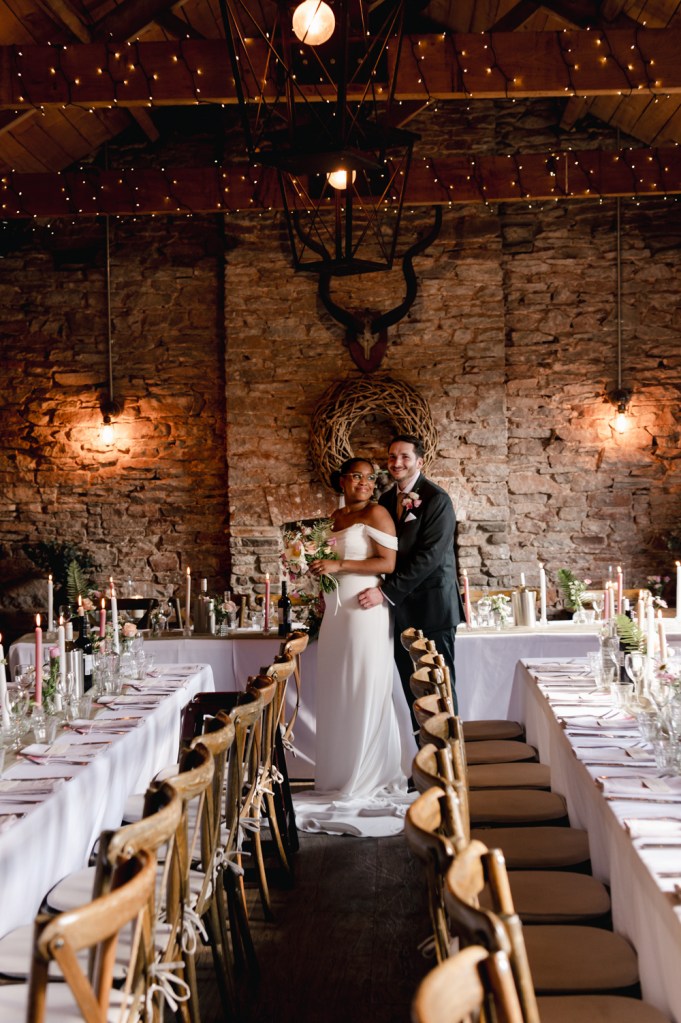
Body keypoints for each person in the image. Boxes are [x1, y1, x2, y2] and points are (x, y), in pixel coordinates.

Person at [292, 457, 415, 837]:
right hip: (336, 613)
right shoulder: (334, 516)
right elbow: (325, 563)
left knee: (362, 683)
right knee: (337, 688)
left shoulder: (377, 513)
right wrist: (317, 571)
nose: (365, 482)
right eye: (357, 476)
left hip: (364, 610)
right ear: (341, 481)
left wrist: (338, 565)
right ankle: (337, 773)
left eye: (370, 477)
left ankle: (368, 773)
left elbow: (388, 563)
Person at [358, 435, 464, 725]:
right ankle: (424, 752)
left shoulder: (436, 499)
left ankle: (449, 752)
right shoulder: (385, 500)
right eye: (392, 456)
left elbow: (429, 557)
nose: (397, 462)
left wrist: (385, 592)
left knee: (438, 690)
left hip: (433, 609)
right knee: (414, 694)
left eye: (405, 456)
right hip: (400, 612)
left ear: (419, 462)